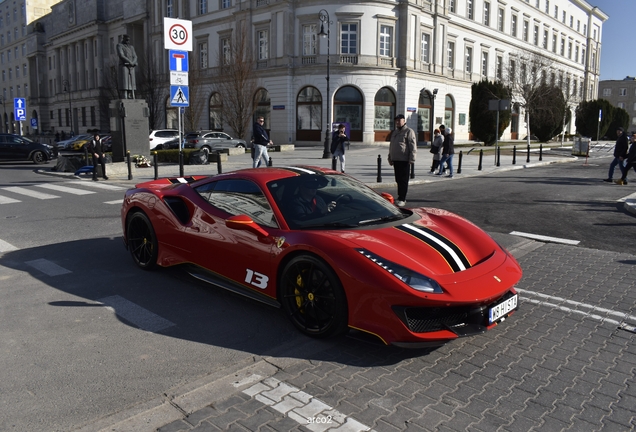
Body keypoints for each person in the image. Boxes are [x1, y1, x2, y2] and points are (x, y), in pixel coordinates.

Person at [387, 114, 417, 207]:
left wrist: (412, 158)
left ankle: (402, 198)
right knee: (398, 179)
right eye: (396, 120)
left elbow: (412, 145)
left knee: (403, 180)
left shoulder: (408, 131)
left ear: (404, 121)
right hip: (396, 159)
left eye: (399, 120)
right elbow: (391, 146)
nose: (397, 122)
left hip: (404, 160)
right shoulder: (395, 132)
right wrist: (390, 157)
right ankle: (400, 196)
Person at [116, 35, 137, 99]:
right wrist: (130, 62)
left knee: (131, 82)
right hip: (124, 65)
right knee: (125, 82)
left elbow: (135, 56)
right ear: (123, 39)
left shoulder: (131, 47)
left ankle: (131, 94)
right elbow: (121, 55)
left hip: (131, 66)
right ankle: (125, 95)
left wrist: (133, 62)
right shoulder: (119, 45)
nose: (128, 41)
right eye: (127, 40)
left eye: (129, 40)